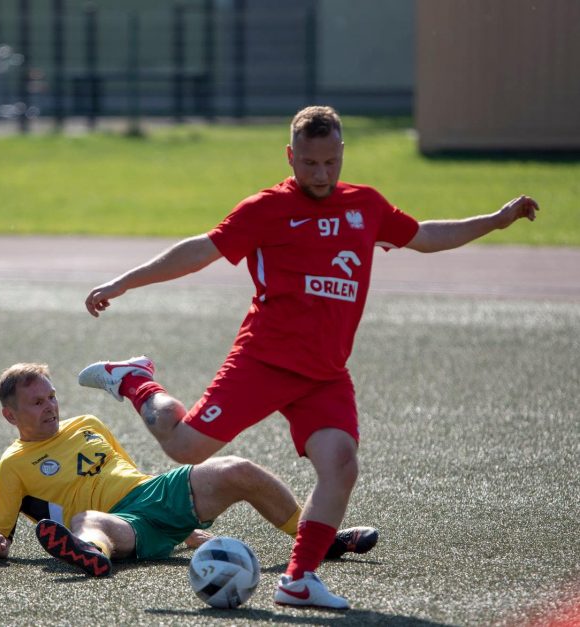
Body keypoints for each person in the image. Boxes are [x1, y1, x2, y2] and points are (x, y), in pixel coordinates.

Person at [79, 105, 539, 609]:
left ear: (342, 154)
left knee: (341, 465)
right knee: (185, 449)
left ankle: (298, 579)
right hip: (264, 361)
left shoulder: (366, 205)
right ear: (290, 156)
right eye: (309, 163)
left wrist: (496, 220)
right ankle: (136, 381)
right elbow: (200, 250)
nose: (321, 174)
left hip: (324, 374)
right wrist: (125, 282)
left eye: (330, 162)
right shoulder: (266, 208)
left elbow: (426, 236)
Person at [0, 363, 378, 579]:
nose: (50, 406)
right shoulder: (13, 465)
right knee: (87, 520)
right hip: (123, 525)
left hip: (155, 495)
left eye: (52, 396)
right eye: (36, 403)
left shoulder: (88, 424)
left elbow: (129, 472)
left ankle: (317, 540)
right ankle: (89, 554)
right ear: (9, 415)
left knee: (236, 469)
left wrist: (184, 530)